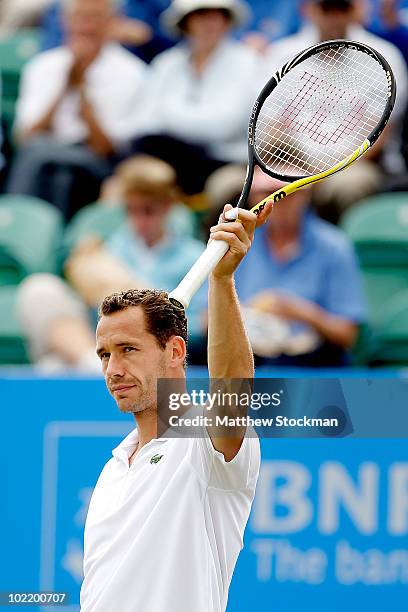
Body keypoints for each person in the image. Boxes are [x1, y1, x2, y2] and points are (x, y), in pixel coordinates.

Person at [79, 199, 272, 611]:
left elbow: (232, 389)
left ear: (174, 350)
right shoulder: (113, 468)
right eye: (104, 354)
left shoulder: (202, 441)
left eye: (128, 349)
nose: (113, 369)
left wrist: (221, 280)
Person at [17, 156, 207, 370]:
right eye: (131, 210)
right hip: (100, 343)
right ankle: (92, 363)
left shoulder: (195, 257)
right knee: (40, 289)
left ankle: (98, 365)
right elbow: (91, 313)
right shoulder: (109, 249)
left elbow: (198, 328)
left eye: (148, 210)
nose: (140, 221)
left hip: (153, 352)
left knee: (53, 366)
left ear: (168, 206)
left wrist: (141, 301)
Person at [261, 0, 408, 216]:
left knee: (348, 186)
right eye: (326, 8)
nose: (334, 16)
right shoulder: (280, 54)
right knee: (227, 184)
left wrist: (324, 173)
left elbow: (377, 136)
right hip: (290, 163)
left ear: (356, 11)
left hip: (355, 166)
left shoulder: (385, 55)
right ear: (308, 10)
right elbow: (273, 127)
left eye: (342, 7)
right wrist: (298, 170)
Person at [7, 0, 146, 219]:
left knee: (39, 154)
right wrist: (65, 84)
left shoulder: (130, 72)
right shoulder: (43, 66)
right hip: (47, 155)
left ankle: (14, 223)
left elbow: (106, 149)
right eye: (80, 17)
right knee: (54, 173)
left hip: (95, 162)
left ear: (111, 22)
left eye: (94, 18)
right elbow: (25, 137)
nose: (86, 26)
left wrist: (81, 90)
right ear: (65, 21)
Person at [234, 169, 367, 367]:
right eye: (266, 194)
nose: (276, 203)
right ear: (253, 196)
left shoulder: (335, 247)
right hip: (246, 356)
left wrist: (298, 311)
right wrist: (245, 314)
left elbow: (348, 335)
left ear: (306, 195)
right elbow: (206, 321)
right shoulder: (236, 243)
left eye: (287, 194)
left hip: (313, 363)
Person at [131, 0, 258, 195]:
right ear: (186, 23)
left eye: (216, 16)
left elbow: (226, 124)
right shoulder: (166, 64)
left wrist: (169, 115)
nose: (209, 24)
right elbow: (143, 123)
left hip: (224, 160)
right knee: (135, 163)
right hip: (170, 158)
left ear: (226, 22)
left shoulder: (247, 62)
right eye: (201, 16)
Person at [41, 0, 173, 63]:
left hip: (134, 72)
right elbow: (51, 50)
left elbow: (177, 40)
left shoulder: (151, 4)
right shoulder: (59, 7)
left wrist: (148, 36)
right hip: (76, 70)